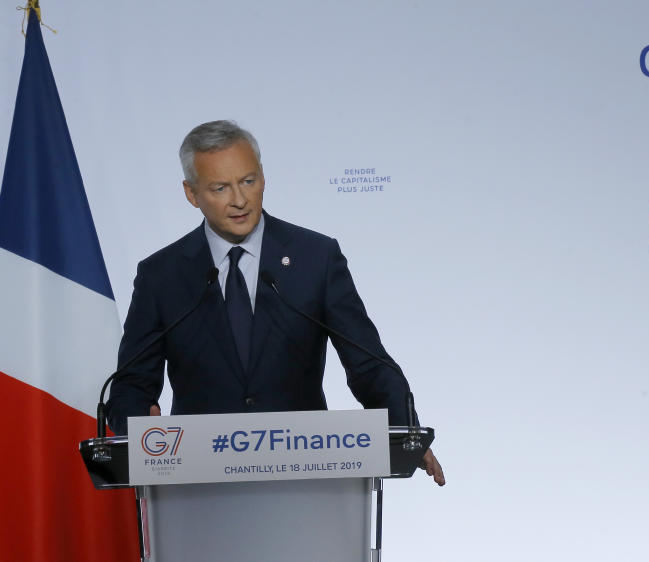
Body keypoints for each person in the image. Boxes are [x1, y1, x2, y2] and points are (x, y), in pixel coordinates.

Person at [106, 120, 444, 485]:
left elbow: (369, 363)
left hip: (307, 477)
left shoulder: (316, 258)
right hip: (199, 487)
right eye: (220, 187)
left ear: (263, 177)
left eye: (248, 181)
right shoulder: (162, 275)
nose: (239, 200)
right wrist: (137, 429)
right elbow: (131, 384)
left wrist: (403, 429)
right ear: (191, 193)